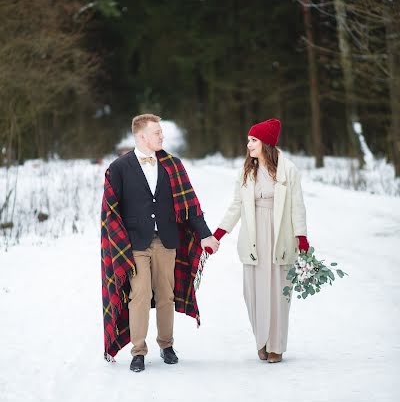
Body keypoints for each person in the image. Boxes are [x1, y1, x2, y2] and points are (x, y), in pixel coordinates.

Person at [101, 113, 219, 372]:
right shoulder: (119, 167)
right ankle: (138, 351)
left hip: (166, 241)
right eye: (157, 132)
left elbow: (191, 206)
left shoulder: (173, 165)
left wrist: (205, 234)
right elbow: (110, 212)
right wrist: (117, 245)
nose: (162, 136)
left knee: (166, 295)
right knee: (139, 295)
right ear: (141, 136)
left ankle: (166, 345)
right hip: (135, 244)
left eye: (161, 132)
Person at [213, 118, 309, 363]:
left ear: (266, 143)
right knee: (253, 292)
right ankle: (262, 340)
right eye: (248, 140)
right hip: (254, 236)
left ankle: (276, 345)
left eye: (253, 140)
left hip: (279, 236)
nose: (248, 145)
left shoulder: (288, 171)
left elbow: (297, 207)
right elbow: (236, 205)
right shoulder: (247, 170)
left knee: (279, 291)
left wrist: (302, 238)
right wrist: (219, 234)